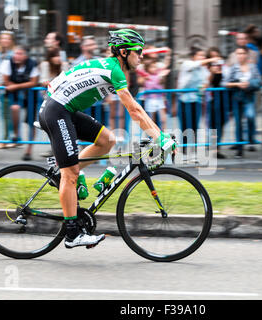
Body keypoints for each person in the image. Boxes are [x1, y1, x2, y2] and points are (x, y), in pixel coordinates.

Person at [38, 29, 177, 249]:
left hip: (64, 109)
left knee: (107, 140)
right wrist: (160, 137)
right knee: (70, 173)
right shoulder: (115, 71)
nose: (141, 56)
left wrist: (159, 135)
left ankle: (76, 170)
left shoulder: (110, 66)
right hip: (57, 112)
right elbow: (134, 110)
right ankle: (72, 234)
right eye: (138, 52)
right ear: (123, 52)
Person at [0, 45, 39, 160]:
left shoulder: (32, 64)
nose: (16, 56)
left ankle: (29, 150)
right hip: (15, 95)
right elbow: (5, 80)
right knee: (14, 108)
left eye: (20, 53)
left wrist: (16, 86)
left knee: (32, 123)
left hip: (30, 95)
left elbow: (33, 82)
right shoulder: (8, 63)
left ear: (25, 56)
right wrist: (16, 87)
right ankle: (16, 134)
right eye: (15, 53)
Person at [177, 47, 219, 156]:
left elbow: (205, 84)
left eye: (203, 55)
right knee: (185, 125)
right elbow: (195, 64)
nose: (203, 58)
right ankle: (184, 148)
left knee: (195, 125)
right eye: (200, 55)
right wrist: (211, 59)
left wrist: (212, 73)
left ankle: (193, 147)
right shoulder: (187, 64)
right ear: (193, 56)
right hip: (184, 100)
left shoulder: (203, 70)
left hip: (197, 100)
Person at [223, 46, 262, 158]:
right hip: (237, 98)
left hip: (249, 97)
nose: (240, 56)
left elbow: (259, 81)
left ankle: (250, 139)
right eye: (238, 54)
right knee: (238, 124)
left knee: (250, 117)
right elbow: (225, 83)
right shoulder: (233, 68)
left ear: (246, 55)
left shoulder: (252, 67)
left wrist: (249, 83)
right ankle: (240, 149)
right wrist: (237, 84)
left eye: (242, 53)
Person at [206, 47, 227, 158]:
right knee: (213, 125)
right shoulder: (209, 69)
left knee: (221, 124)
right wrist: (212, 72)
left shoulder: (224, 68)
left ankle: (217, 147)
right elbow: (206, 84)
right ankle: (213, 148)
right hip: (213, 100)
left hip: (223, 99)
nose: (215, 59)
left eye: (216, 56)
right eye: (212, 56)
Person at [142, 60, 170, 130]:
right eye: (152, 67)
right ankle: (154, 136)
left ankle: (164, 134)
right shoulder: (146, 76)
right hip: (150, 99)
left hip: (159, 99)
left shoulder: (159, 75)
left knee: (163, 119)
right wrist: (159, 77)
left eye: (155, 67)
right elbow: (151, 86)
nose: (154, 69)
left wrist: (161, 77)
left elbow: (160, 86)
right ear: (147, 69)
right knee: (152, 119)